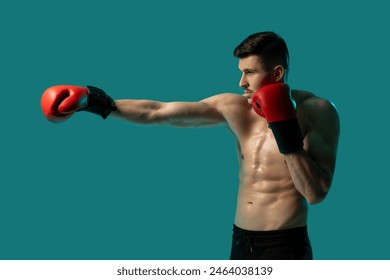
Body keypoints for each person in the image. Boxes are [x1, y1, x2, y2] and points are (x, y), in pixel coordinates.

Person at [41, 31, 340, 260]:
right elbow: (158, 112)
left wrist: (283, 128)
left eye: (249, 72)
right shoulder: (233, 107)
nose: (241, 82)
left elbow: (315, 193)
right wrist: (95, 101)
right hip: (240, 241)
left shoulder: (318, 111)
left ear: (276, 73)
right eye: (240, 72)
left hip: (285, 245)